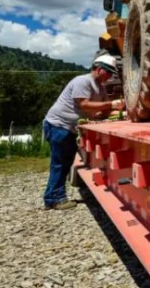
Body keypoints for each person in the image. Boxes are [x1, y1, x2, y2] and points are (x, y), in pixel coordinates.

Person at [42, 53, 125, 210]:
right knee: (59, 164)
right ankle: (54, 199)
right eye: (109, 73)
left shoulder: (100, 88)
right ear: (99, 69)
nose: (110, 77)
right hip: (59, 125)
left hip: (67, 127)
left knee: (65, 163)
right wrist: (113, 104)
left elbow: (105, 109)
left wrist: (121, 112)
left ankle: (53, 196)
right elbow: (84, 104)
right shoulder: (83, 81)